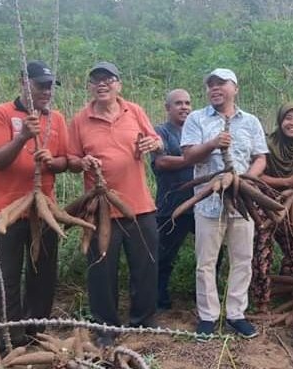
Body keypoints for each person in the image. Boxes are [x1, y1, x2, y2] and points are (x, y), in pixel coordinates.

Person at [67, 62, 163, 348]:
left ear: (118, 84)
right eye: (96, 80)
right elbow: (71, 159)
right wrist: (82, 162)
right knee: (101, 267)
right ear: (90, 87)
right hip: (101, 208)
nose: (102, 84)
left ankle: (144, 318)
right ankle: (105, 326)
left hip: (139, 205)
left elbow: (155, 139)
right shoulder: (80, 120)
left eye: (108, 79)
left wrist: (153, 144)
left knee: (145, 263)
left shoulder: (134, 111)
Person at [0, 60, 67, 353]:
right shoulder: (2, 114)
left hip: (43, 209)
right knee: (6, 277)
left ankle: (35, 333)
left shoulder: (56, 119)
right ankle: (8, 339)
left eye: (49, 87)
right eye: (40, 85)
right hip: (7, 210)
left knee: (43, 275)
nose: (46, 92)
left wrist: (51, 161)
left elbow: (65, 161)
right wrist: (22, 138)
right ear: (23, 81)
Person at [180, 68, 268, 340]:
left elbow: (260, 157)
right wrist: (213, 144)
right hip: (209, 203)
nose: (215, 88)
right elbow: (188, 156)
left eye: (221, 84)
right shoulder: (197, 119)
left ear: (235, 88)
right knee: (206, 261)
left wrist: (243, 181)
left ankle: (236, 314)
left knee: (242, 259)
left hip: (241, 201)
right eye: (211, 85)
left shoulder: (251, 121)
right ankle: (207, 317)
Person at [251, 102, 293, 313]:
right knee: (262, 252)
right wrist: (286, 183)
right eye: (288, 118)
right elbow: (257, 175)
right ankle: (262, 302)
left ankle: (285, 291)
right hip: (265, 204)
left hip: (290, 205)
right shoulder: (267, 145)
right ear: (280, 121)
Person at [152, 88, 194, 311]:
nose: (184, 107)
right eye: (178, 103)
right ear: (168, 108)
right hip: (171, 205)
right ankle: (159, 299)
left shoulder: (197, 130)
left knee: (211, 255)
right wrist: (192, 158)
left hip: (200, 205)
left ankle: (203, 296)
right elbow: (161, 163)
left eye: (187, 103)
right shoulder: (160, 132)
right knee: (164, 255)